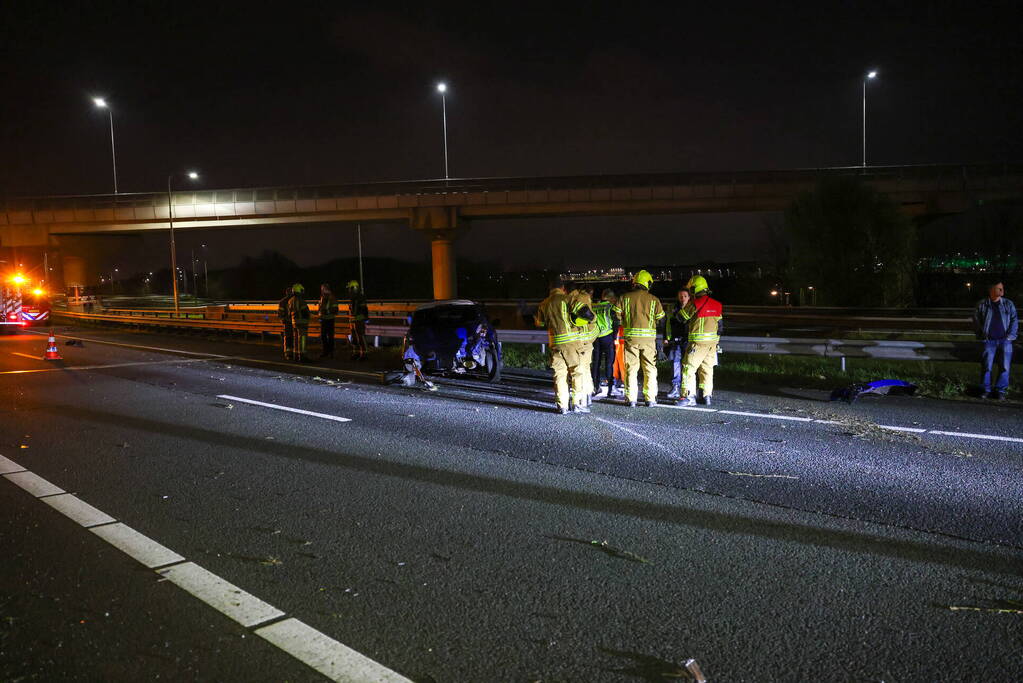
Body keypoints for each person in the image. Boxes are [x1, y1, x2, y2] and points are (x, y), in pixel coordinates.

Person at [613, 270, 665, 407]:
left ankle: (631, 399)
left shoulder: (624, 298)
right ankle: (650, 399)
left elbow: (615, 317)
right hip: (649, 340)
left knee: (631, 368)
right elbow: (661, 320)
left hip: (631, 339)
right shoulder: (654, 300)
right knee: (650, 368)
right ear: (648, 283)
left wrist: (623, 324)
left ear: (634, 283)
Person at [535, 280, 587, 414]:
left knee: (559, 374)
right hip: (571, 343)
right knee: (576, 372)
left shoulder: (543, 304)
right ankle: (576, 403)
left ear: (550, 288)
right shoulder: (567, 299)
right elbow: (584, 313)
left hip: (555, 344)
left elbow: (540, 324)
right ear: (563, 288)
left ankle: (562, 406)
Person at [677, 275, 723, 407]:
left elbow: (681, 318)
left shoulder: (694, 304)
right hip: (712, 344)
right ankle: (706, 396)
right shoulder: (717, 305)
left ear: (694, 289)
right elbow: (720, 326)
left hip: (697, 343)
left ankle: (688, 397)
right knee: (707, 369)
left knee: (688, 368)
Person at [973, 282, 1017, 400]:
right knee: (987, 367)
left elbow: (1014, 320)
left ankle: (1000, 391)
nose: (1002, 291)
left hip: (1005, 341)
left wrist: (1010, 337)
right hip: (989, 341)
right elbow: (976, 320)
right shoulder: (982, 304)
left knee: (1005, 367)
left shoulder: (1008, 304)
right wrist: (981, 336)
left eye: (1002, 288)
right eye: (999, 289)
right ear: (991, 290)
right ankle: (985, 390)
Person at [569, 284, 598, 405]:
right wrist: (594, 320)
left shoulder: (569, 299)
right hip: (585, 340)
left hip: (576, 340)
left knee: (580, 370)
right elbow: (589, 317)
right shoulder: (584, 298)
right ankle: (586, 397)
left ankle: (582, 398)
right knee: (584, 369)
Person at [664, 287, 691, 399]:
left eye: (685, 296)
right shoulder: (673, 308)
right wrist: (666, 338)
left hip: (688, 340)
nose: (682, 298)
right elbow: (667, 324)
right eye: (681, 296)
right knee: (675, 363)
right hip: (675, 340)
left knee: (688, 365)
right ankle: (675, 387)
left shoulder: (692, 308)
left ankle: (688, 389)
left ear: (689, 297)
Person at [591, 289, 619, 397]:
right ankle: (611, 389)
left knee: (596, 363)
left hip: (596, 337)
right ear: (610, 298)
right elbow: (615, 323)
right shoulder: (610, 307)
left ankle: (595, 387)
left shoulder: (593, 306)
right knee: (609, 363)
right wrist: (614, 337)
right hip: (608, 337)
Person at [288, 283, 311, 362]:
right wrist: (309, 316)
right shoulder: (301, 301)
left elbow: (289, 313)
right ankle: (302, 356)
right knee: (302, 339)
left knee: (296, 339)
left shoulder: (290, 300)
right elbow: (305, 312)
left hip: (294, 322)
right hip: (302, 322)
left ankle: (296, 355)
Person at [347, 280, 369, 360]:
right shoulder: (353, 298)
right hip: (353, 321)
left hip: (359, 320)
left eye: (350, 288)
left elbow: (364, 309)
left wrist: (366, 318)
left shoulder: (360, 297)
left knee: (360, 337)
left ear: (354, 288)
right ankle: (356, 353)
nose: (349, 290)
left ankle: (364, 354)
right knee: (354, 338)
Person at [318, 283, 338, 359]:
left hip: (330, 319)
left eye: (323, 289)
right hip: (323, 319)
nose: (322, 290)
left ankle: (330, 352)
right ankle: (325, 351)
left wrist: (327, 312)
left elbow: (336, 310)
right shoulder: (322, 297)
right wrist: (320, 315)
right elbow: (320, 308)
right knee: (323, 336)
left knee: (330, 336)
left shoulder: (332, 297)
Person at [276, 286, 293, 360]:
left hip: (287, 322)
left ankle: (288, 353)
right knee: (292, 337)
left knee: (288, 337)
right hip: (292, 322)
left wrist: (283, 320)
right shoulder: (294, 300)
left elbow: (280, 313)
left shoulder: (282, 301)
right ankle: (291, 352)